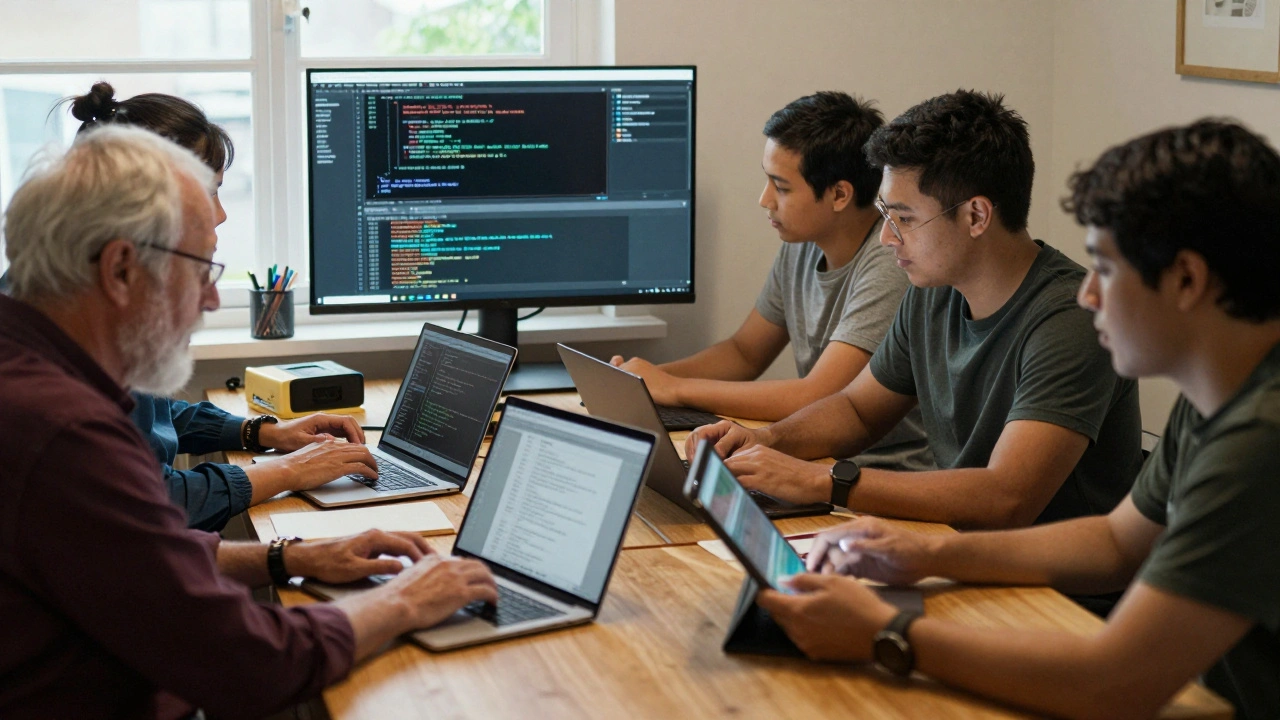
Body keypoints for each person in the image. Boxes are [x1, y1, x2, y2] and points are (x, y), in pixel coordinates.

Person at [757, 119, 1280, 720]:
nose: (1090, 297)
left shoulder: (1260, 440)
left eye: (1106, 270)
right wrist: (926, 557)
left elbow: (1111, 684)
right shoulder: (1220, 393)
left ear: (1187, 279)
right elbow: (1116, 543)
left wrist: (886, 632)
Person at [0, 125, 498, 718]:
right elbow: (254, 664)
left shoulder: (35, 375)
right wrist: (404, 601)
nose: (211, 301)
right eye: (201, 270)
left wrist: (289, 557)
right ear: (121, 269)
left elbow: (142, 563)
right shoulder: (64, 431)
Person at [687, 91, 1142, 534]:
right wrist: (767, 441)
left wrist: (821, 481)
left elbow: (1007, 497)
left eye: (903, 218)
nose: (887, 238)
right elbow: (857, 411)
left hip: (1061, 598)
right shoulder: (934, 288)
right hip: (955, 551)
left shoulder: (1071, 320)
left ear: (976, 216)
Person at [66, 82, 378, 532]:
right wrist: (287, 471)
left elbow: (147, 417)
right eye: (210, 192)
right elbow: (152, 503)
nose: (221, 215)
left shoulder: (86, 292)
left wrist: (265, 433)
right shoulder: (75, 334)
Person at [609, 92, 931, 470]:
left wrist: (673, 388)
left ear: (839, 194)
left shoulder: (891, 263)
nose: (765, 200)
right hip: (818, 460)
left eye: (781, 187)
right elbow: (744, 353)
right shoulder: (804, 242)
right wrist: (643, 380)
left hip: (881, 472)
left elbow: (820, 394)